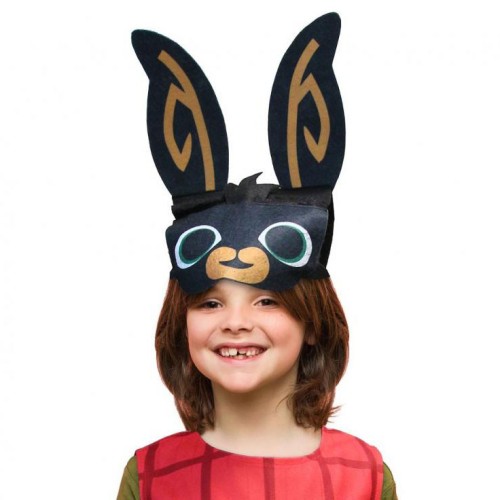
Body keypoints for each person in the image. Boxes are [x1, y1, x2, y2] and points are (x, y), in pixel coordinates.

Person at [119, 13, 397, 499]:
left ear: (314, 323)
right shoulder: (150, 476)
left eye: (268, 300)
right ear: (181, 323)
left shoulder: (364, 476)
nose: (236, 322)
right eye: (210, 302)